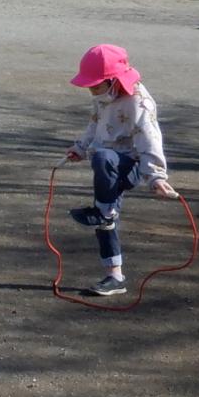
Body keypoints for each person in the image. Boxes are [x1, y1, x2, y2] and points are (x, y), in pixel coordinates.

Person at [62, 44, 178, 298]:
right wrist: (81, 148)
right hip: (108, 165)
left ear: (114, 80)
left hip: (132, 164)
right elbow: (95, 124)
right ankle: (115, 276)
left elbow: (150, 140)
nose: (91, 90)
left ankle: (103, 211)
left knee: (103, 164)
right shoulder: (104, 97)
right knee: (106, 212)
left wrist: (156, 175)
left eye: (96, 85)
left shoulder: (139, 103)